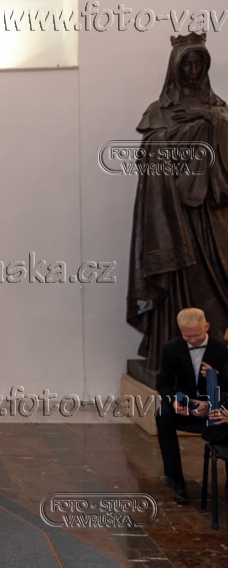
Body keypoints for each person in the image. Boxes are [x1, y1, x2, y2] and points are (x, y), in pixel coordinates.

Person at [127, 32, 228, 379]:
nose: (194, 70)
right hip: (172, 215)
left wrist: (211, 119)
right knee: (177, 284)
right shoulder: (158, 112)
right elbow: (150, 157)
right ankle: (173, 360)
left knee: (216, 286)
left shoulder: (219, 111)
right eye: (187, 63)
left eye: (200, 63)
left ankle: (216, 365)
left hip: (211, 215)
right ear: (175, 68)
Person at [155, 308, 228, 504]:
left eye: (197, 335)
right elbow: (163, 384)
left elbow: (227, 387)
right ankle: (176, 479)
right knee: (163, 413)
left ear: (206, 326)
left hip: (214, 406)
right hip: (186, 405)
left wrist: (216, 377)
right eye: (187, 336)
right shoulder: (171, 348)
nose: (193, 341)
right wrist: (173, 401)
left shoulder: (221, 349)